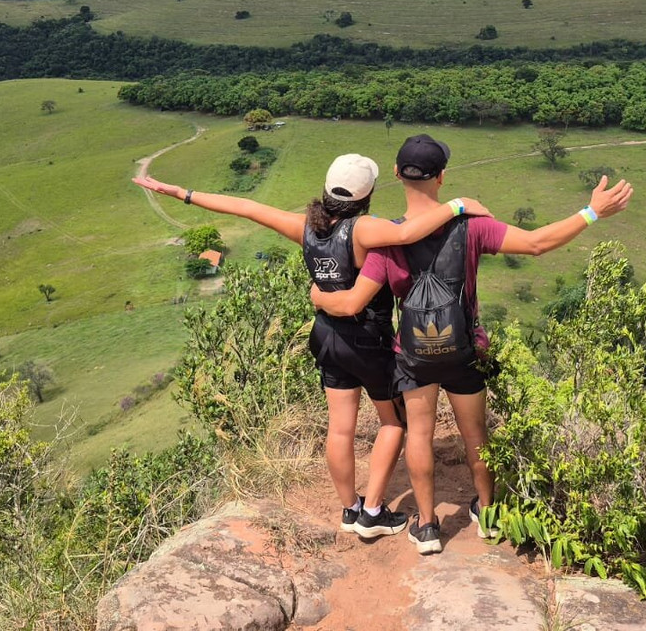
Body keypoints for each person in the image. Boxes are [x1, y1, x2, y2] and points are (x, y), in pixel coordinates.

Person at [133, 154, 491, 538]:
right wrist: (457, 205)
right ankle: (372, 512)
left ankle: (350, 509)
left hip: (325, 337)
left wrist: (182, 194)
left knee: (339, 429)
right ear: (366, 195)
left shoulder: (305, 228)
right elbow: (407, 234)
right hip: (367, 341)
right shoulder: (364, 230)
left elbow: (247, 208)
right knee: (394, 422)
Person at [311, 134, 633, 554]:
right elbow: (537, 243)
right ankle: (488, 513)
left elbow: (353, 301)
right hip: (464, 349)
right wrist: (593, 211)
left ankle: (427, 527)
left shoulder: (387, 240)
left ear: (395, 174)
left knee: (420, 436)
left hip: (413, 356)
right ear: (442, 176)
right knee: (475, 433)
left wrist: (319, 296)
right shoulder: (472, 227)